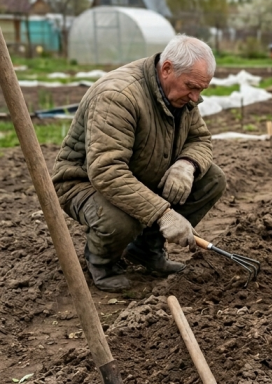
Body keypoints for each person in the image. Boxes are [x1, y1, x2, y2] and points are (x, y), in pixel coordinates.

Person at [52, 35, 226, 292]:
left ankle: (146, 250)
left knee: (212, 179)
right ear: (167, 69)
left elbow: (200, 138)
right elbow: (107, 172)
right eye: (191, 87)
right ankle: (102, 262)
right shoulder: (118, 97)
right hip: (86, 183)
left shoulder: (182, 96)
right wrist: (164, 214)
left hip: (140, 173)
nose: (195, 97)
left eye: (201, 89)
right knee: (123, 220)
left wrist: (186, 165)